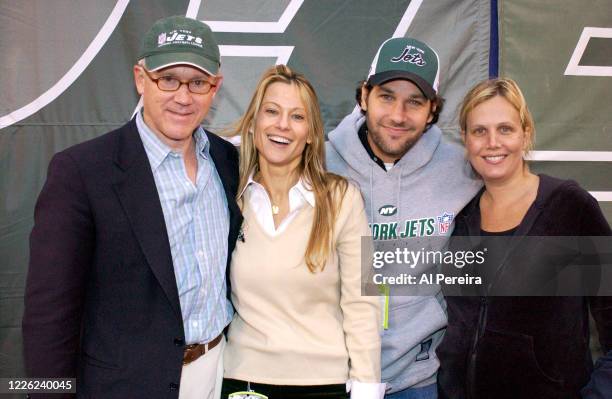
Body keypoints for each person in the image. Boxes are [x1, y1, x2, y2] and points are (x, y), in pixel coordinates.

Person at [22, 16, 242, 398]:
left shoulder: (228, 162)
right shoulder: (82, 171)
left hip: (217, 372)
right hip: (122, 386)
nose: (183, 96)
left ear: (215, 87)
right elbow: (48, 317)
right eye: (168, 79)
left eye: (197, 82)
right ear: (141, 78)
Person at [436, 77, 612, 398]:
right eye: (479, 131)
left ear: (526, 134)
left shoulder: (569, 206)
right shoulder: (460, 218)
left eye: (505, 129)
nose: (492, 142)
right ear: (465, 140)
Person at [326, 37, 482, 398]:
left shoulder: (462, 171)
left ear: (432, 111)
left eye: (414, 102)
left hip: (418, 378)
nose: (398, 115)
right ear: (364, 96)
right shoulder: (320, 164)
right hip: (331, 371)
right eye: (386, 96)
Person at [220, 65, 383, 399]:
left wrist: (367, 387)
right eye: (271, 111)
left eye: (297, 116)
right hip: (243, 381)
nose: (282, 125)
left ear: (311, 132)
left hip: (324, 385)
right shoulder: (229, 196)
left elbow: (365, 300)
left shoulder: (344, 198)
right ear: (253, 123)